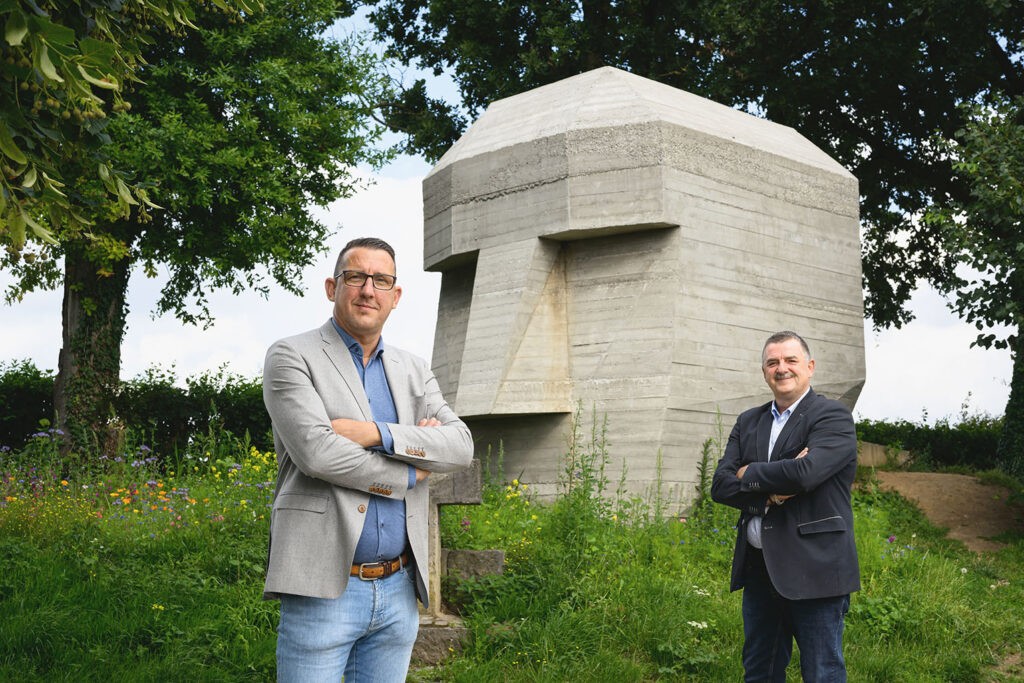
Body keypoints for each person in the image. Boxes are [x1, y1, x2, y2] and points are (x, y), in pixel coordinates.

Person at [262, 237, 474, 682]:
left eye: (381, 280)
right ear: (332, 287)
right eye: (356, 276)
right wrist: (410, 471)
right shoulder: (291, 355)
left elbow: (460, 446)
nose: (367, 290)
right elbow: (317, 453)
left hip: (398, 589)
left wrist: (375, 433)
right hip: (322, 588)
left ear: (396, 296)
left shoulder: (414, 368)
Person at [711, 331, 859, 682]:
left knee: (822, 673)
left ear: (810, 366)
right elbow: (720, 485)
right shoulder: (749, 421)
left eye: (791, 360)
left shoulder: (832, 416)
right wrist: (770, 494)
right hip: (760, 569)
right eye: (772, 362)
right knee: (759, 671)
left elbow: (807, 474)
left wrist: (748, 472)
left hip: (815, 568)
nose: (782, 368)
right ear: (764, 371)